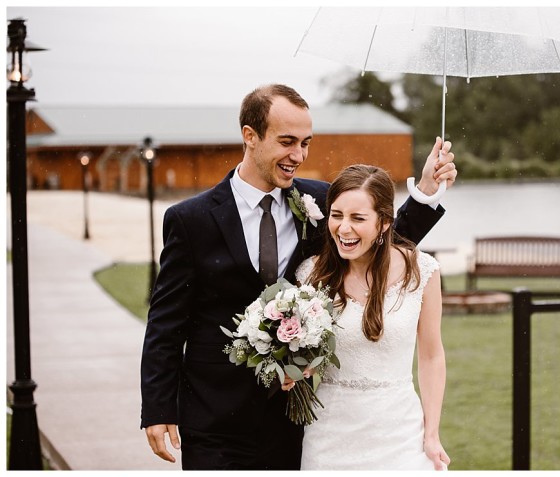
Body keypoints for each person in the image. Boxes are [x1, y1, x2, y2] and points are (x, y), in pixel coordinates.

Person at [140, 84, 458, 470]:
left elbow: (375, 235)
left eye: (306, 142)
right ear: (250, 136)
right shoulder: (191, 220)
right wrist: (158, 406)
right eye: (287, 141)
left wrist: (426, 191)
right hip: (214, 416)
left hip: (292, 417)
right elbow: (166, 322)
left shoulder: (320, 202)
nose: (299, 155)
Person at [291, 164, 450, 470]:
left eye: (358, 218)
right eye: (337, 216)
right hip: (329, 441)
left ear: (385, 223)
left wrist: (431, 433)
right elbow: (304, 356)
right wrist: (295, 370)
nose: (344, 228)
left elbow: (431, 356)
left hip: (401, 438)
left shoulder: (423, 271)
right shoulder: (311, 275)